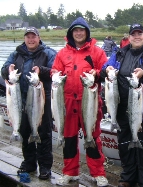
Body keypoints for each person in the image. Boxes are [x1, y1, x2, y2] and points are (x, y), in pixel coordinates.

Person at [100, 23, 143, 187]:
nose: (137, 36)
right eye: (133, 34)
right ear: (129, 37)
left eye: (140, 33)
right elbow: (104, 68)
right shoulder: (119, 54)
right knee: (124, 146)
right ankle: (128, 177)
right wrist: (107, 69)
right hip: (121, 110)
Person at [51, 17, 109, 186]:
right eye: (75, 30)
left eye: (81, 30)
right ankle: (70, 172)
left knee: (93, 138)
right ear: (71, 33)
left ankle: (98, 173)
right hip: (67, 102)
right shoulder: (62, 53)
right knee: (68, 139)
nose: (78, 33)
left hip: (89, 101)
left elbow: (105, 71)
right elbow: (55, 70)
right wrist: (54, 74)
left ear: (87, 32)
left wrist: (96, 73)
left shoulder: (97, 52)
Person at [1, 27, 57, 180]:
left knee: (44, 133)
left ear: (39, 38)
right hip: (21, 99)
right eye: (28, 37)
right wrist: (8, 69)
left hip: (42, 98)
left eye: (34, 36)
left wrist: (42, 71)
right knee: (25, 131)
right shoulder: (16, 53)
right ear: (24, 38)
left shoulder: (49, 53)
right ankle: (29, 163)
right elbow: (4, 69)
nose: (31, 39)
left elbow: (56, 71)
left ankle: (45, 167)